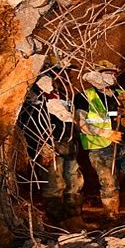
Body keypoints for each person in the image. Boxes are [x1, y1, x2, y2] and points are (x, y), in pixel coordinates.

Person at [74, 60, 125, 220]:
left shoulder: (124, 95)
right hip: (101, 147)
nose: (111, 76)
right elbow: (80, 122)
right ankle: (112, 217)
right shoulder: (85, 97)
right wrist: (105, 133)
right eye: (106, 73)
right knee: (108, 183)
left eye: (113, 73)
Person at [19, 72, 84, 228]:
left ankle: (74, 218)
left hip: (68, 143)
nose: (64, 76)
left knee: (74, 181)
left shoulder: (62, 94)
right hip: (49, 144)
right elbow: (31, 120)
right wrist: (42, 144)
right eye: (61, 73)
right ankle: (58, 222)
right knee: (55, 184)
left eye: (66, 73)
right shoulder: (35, 95)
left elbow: (70, 119)